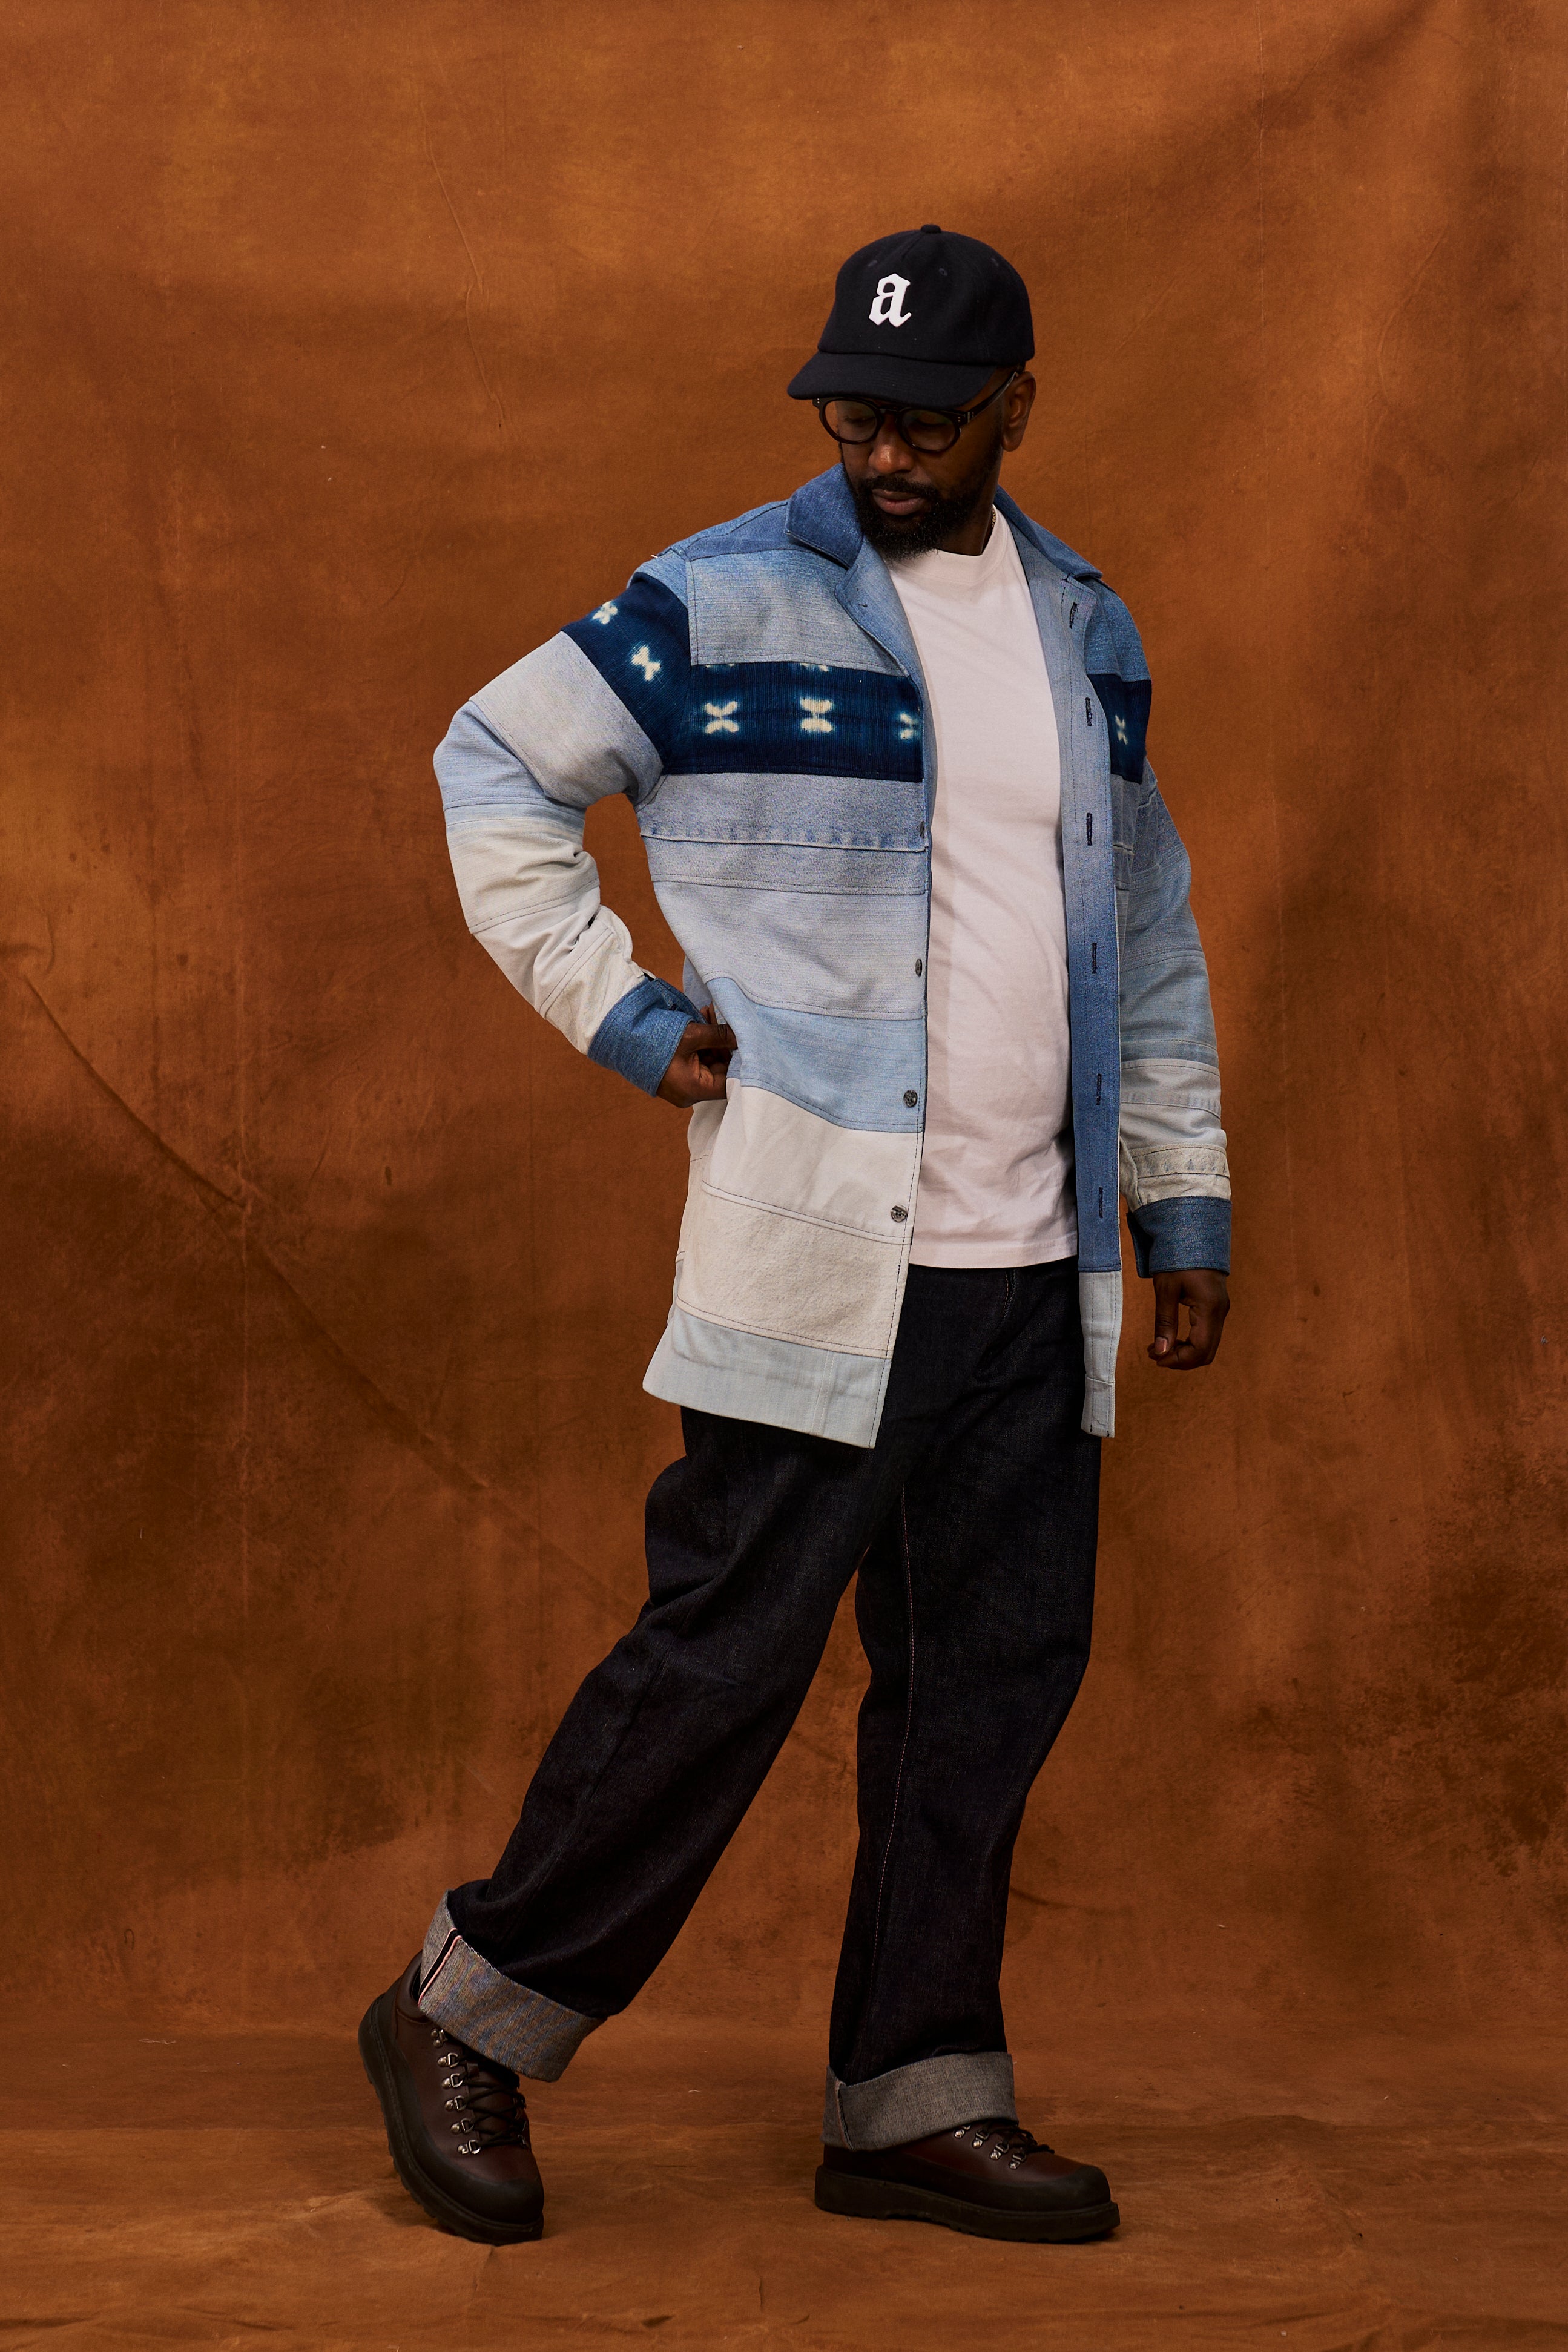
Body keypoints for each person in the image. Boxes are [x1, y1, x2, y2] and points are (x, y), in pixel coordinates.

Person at [359, 225, 1231, 2248]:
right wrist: (625, 1011)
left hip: (1038, 1268)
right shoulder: (718, 594)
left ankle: (914, 2098)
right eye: (854, 414)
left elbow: (1148, 931)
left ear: (1016, 407)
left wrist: (1179, 1195)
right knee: (727, 1659)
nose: (885, 451)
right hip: (827, 1250)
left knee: (991, 1681)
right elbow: (494, 763)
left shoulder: (1088, 626)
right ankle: (461, 2012)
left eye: (928, 420)